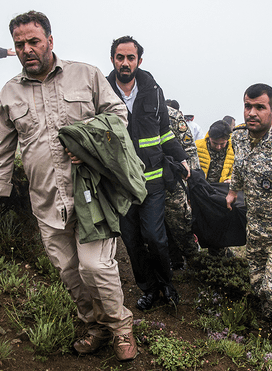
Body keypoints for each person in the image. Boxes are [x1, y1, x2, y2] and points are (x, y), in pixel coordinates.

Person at [0, 11, 137, 361]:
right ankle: (95, 326)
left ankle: (121, 328)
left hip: (93, 197)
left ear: (50, 41)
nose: (27, 49)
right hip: (47, 202)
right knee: (70, 272)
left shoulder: (87, 75)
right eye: (20, 44)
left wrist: (89, 145)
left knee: (95, 267)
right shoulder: (9, 94)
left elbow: (118, 116)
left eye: (34, 41)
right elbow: (1, 150)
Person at [107, 36, 189, 311]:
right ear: (113, 60)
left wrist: (181, 157)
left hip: (152, 180)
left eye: (131, 58)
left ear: (139, 61)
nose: (125, 62)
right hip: (121, 183)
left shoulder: (154, 90)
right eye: (120, 57)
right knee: (131, 242)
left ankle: (167, 286)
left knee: (155, 237)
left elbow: (165, 131)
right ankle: (149, 290)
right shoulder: (103, 92)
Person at [226, 83, 272, 348]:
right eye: (248, 106)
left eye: (260, 107)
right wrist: (233, 191)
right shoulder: (239, 136)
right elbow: (239, 165)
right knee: (258, 285)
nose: (252, 113)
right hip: (255, 228)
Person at [164, 99, 201, 270]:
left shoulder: (172, 116)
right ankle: (173, 262)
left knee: (181, 223)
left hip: (174, 183)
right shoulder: (130, 112)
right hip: (144, 183)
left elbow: (190, 149)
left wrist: (193, 182)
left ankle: (196, 263)